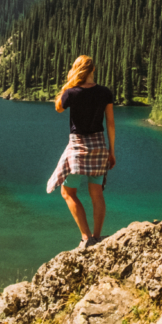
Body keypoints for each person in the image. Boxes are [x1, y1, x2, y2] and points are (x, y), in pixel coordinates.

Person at [46, 55, 116, 250]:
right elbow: (110, 122)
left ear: (77, 70)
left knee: (67, 192)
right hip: (100, 146)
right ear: (93, 70)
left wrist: (68, 85)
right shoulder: (105, 92)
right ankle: (97, 236)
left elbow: (58, 108)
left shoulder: (72, 92)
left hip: (78, 148)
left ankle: (86, 238)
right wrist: (112, 151)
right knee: (97, 193)